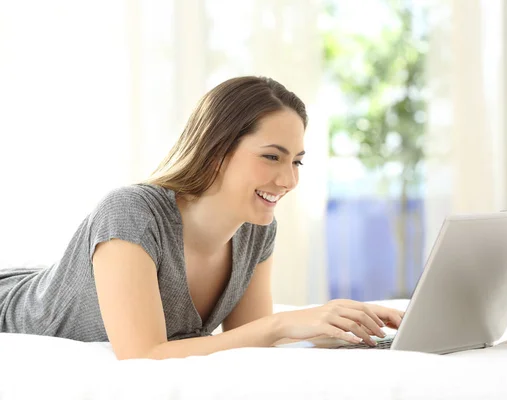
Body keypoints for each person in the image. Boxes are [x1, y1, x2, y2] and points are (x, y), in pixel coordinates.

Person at [0, 76, 404, 360]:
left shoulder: (256, 230)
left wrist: (340, 324)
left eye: (297, 161)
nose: (289, 179)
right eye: (271, 156)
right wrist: (283, 324)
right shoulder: (131, 214)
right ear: (215, 151)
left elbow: (251, 336)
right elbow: (143, 354)